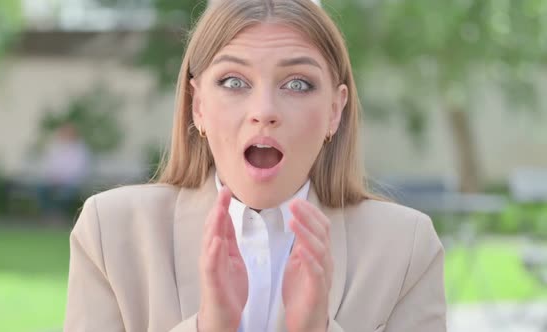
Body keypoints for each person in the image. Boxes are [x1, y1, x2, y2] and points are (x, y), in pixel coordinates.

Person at [64, 0, 446, 331]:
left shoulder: (407, 247)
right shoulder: (109, 233)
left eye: (297, 84)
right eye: (233, 81)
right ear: (198, 106)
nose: (264, 112)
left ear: (335, 109)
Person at [37, 122, 90, 223]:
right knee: (41, 189)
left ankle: (61, 217)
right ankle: (50, 215)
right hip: (53, 181)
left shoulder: (80, 150)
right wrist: (53, 178)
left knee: (66, 193)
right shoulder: (55, 148)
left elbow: (79, 170)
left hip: (71, 183)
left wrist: (62, 179)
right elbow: (48, 166)